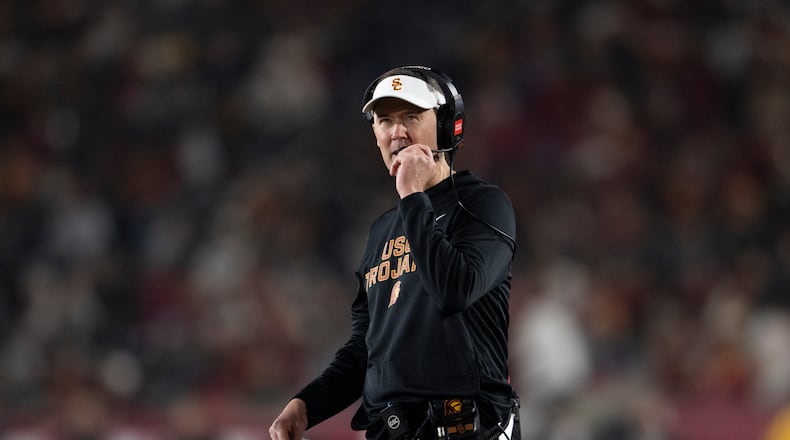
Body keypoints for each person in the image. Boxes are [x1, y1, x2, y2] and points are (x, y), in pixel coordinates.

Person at [269, 65, 519, 440]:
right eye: (385, 120)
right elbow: (365, 350)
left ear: (448, 126)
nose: (397, 131)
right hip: (391, 430)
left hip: (469, 428)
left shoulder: (483, 204)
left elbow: (455, 289)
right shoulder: (382, 230)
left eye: (412, 117)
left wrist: (413, 196)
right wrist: (305, 406)